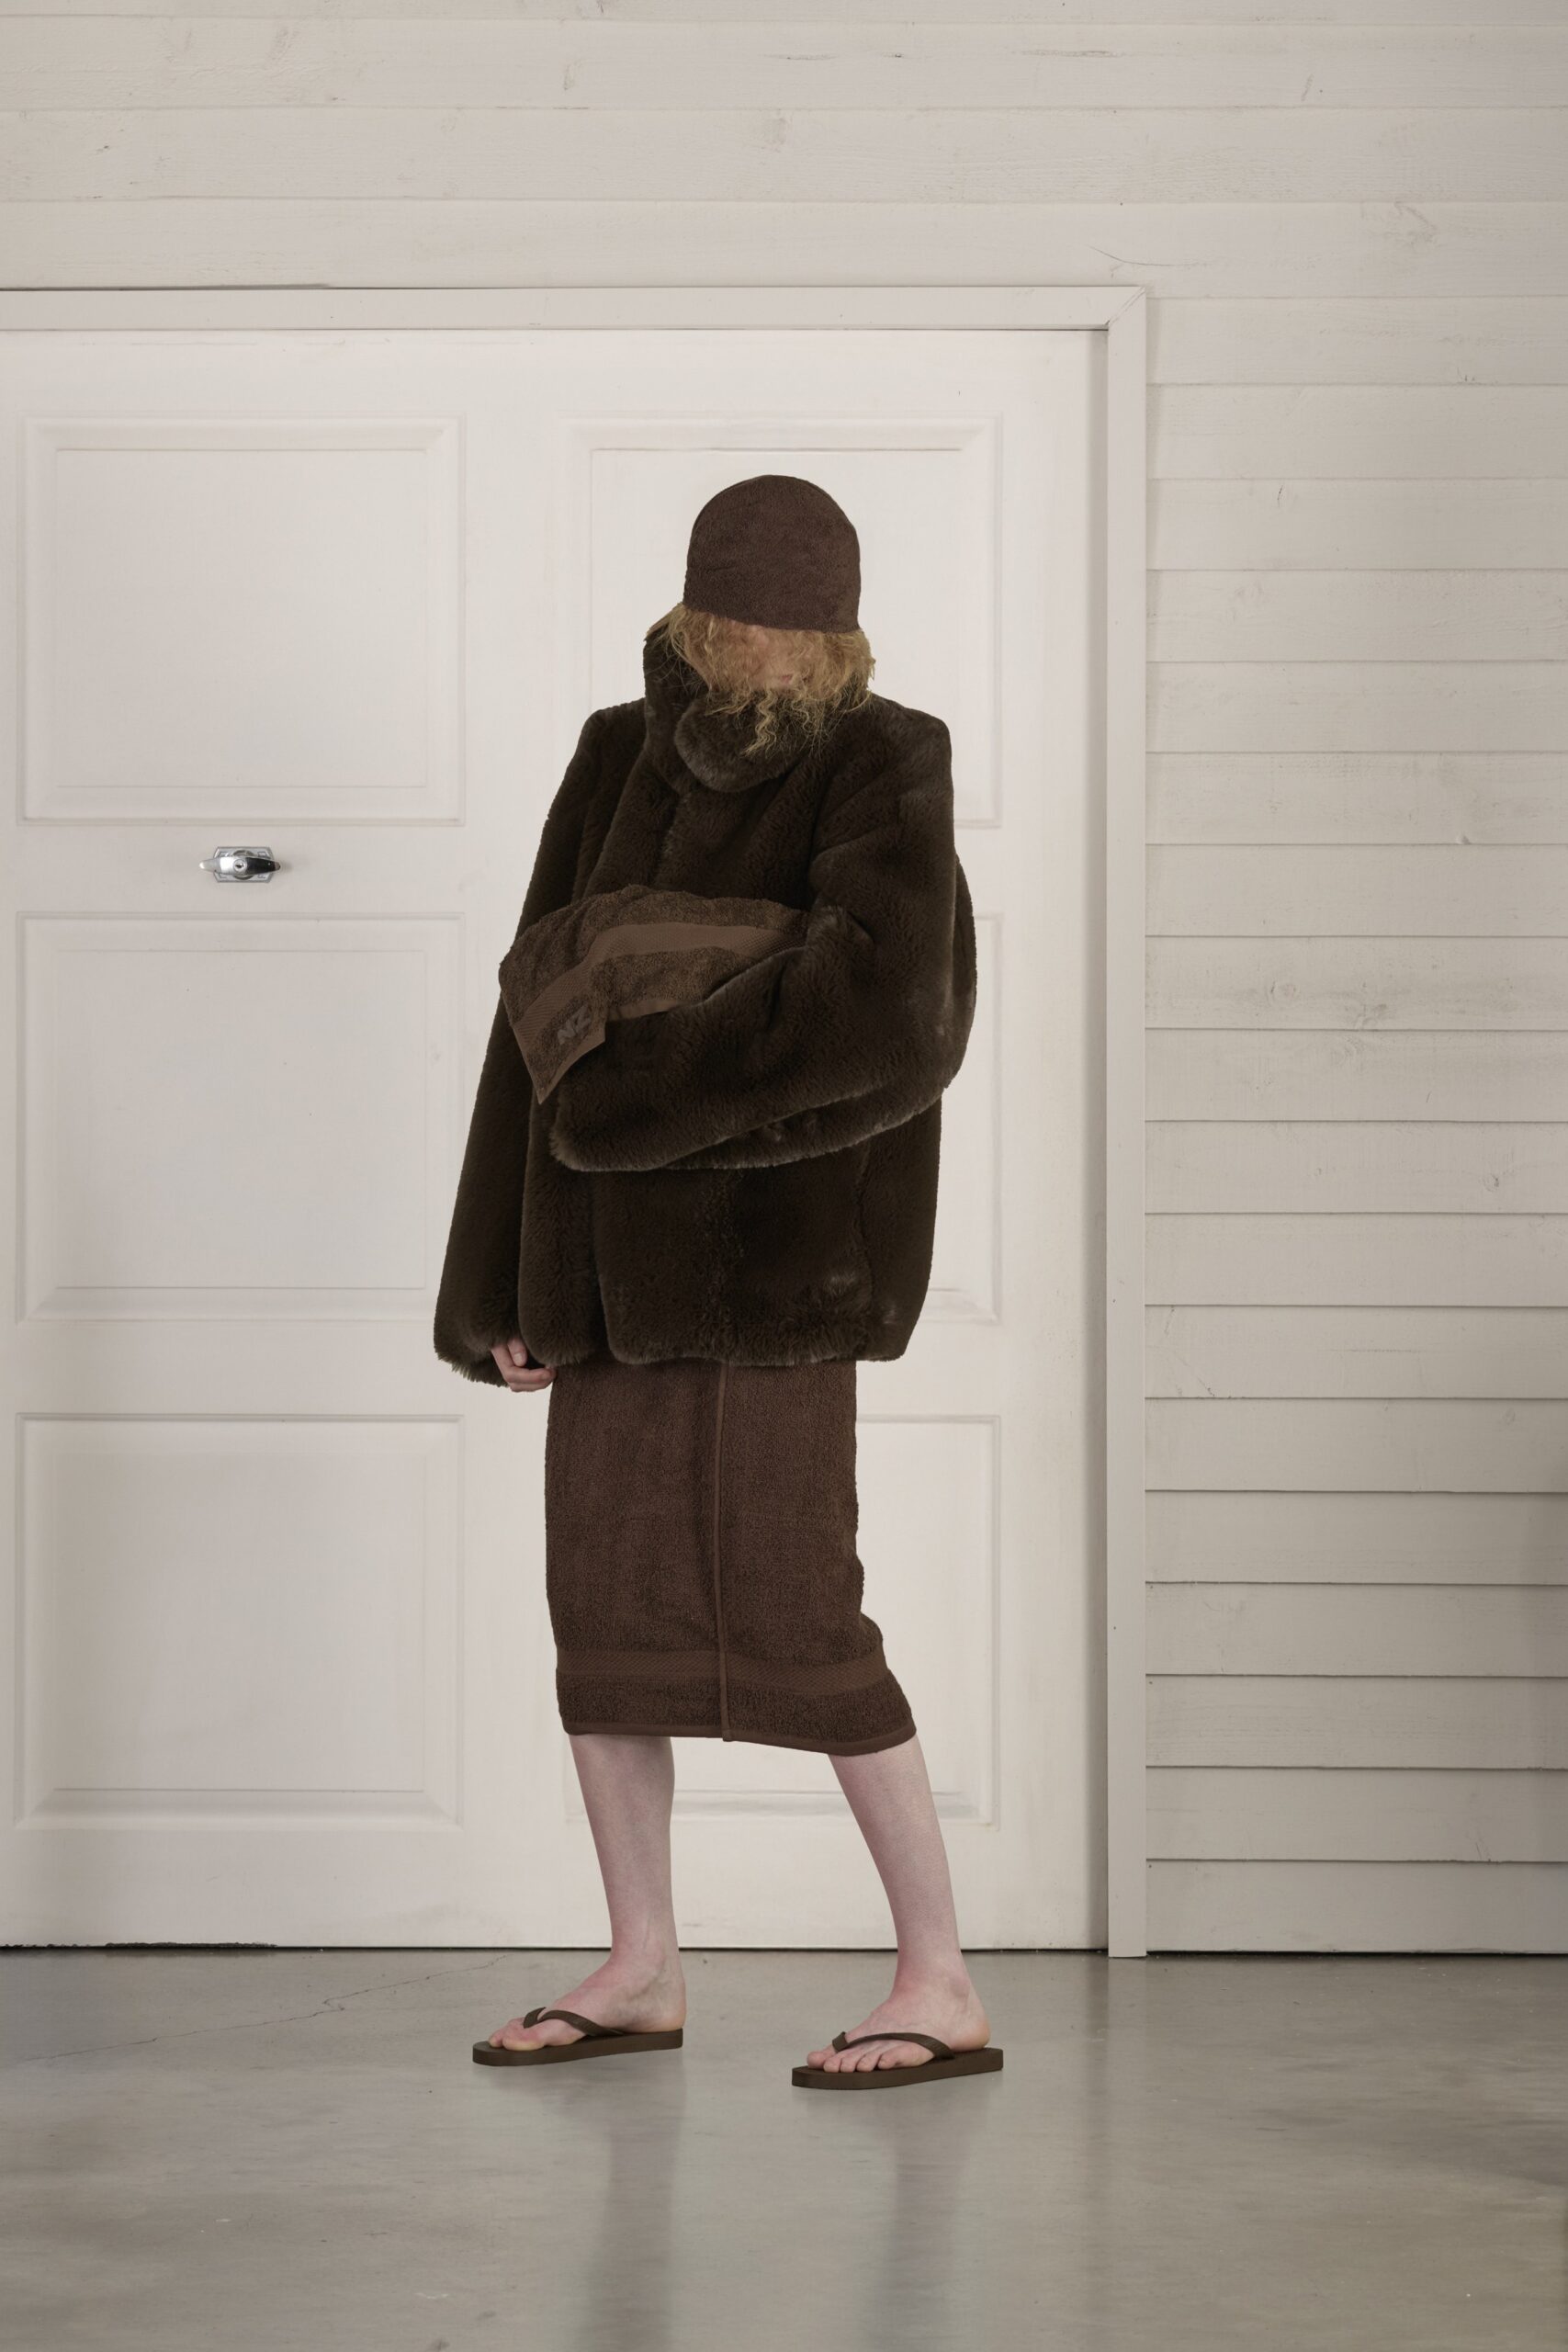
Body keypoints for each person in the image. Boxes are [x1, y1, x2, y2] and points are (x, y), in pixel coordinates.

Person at [434, 473, 1001, 2090]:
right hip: (602, 1278)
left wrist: (637, 1053)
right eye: (737, 616)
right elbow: (534, 1023)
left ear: (842, 630)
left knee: (801, 1612)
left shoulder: (890, 756)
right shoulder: (612, 751)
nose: (762, 647)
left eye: (792, 622)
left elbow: (888, 1018)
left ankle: (942, 1980)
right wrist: (497, 1285)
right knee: (605, 1622)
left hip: (783, 1280)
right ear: (693, 614)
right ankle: (640, 1967)